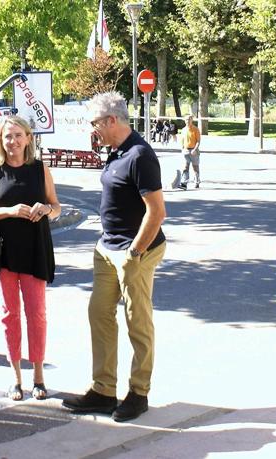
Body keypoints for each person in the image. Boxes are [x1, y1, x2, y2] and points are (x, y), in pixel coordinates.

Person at [62, 91, 166, 423]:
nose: (93, 130)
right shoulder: (115, 151)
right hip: (107, 248)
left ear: (112, 120)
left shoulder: (139, 155)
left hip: (135, 250)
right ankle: (104, 391)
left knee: (138, 321)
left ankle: (139, 393)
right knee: (99, 314)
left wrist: (135, 252)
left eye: (95, 123)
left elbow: (157, 212)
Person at [0, 116, 60, 402]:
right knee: (9, 315)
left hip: (36, 250)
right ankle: (16, 378)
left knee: (37, 314)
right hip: (4, 252)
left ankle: (38, 377)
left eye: (17, 135)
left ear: (28, 137)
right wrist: (10, 211)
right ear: (0, 139)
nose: (12, 141)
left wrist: (45, 209)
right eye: (7, 136)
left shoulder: (40, 169)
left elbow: (57, 207)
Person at [177, 115, 202, 190]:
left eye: (189, 119)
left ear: (192, 120)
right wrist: (182, 148)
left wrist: (195, 149)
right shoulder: (184, 130)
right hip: (186, 151)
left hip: (194, 151)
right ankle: (184, 183)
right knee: (185, 167)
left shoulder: (195, 129)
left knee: (195, 167)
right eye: (186, 119)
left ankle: (197, 181)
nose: (188, 121)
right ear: (185, 121)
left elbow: (198, 141)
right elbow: (182, 140)